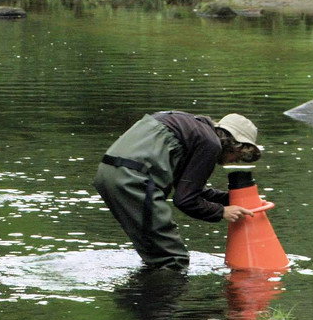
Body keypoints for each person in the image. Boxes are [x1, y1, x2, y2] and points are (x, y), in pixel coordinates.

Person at [93, 111, 261, 271]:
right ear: (235, 145)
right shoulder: (211, 144)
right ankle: (156, 299)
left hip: (108, 173)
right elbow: (185, 200)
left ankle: (141, 295)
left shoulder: (187, 126)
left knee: (155, 253)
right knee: (173, 260)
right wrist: (222, 211)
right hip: (133, 180)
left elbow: (189, 189)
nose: (233, 162)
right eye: (238, 157)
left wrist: (234, 198)